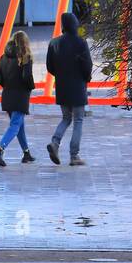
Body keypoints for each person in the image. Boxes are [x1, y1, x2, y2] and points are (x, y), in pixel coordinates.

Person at [45, 11, 93, 167]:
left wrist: (61, 76)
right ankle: (74, 156)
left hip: (62, 87)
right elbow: (87, 66)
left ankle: (55, 142)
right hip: (78, 87)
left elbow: (50, 67)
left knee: (66, 118)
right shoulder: (81, 43)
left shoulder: (54, 43)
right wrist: (86, 78)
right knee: (78, 119)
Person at [0, 30, 36, 166]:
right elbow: (27, 77)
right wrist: (30, 87)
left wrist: (8, 86)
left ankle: (26, 153)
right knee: (15, 125)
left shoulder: (3, 57)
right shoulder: (25, 58)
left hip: (7, 96)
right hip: (20, 96)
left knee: (19, 125)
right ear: (25, 43)